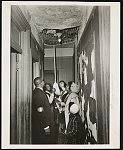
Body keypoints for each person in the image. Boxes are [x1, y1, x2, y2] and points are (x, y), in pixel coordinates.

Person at [32, 77, 54, 144]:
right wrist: (46, 126)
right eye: (43, 81)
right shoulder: (39, 94)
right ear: (42, 83)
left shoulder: (37, 92)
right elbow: (40, 111)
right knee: (44, 141)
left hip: (41, 124)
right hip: (42, 125)